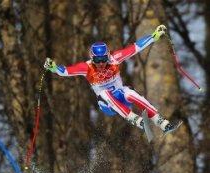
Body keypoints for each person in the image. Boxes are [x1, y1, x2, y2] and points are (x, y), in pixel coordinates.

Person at [44, 25, 180, 134]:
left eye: (104, 59)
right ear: (92, 58)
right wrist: (53, 67)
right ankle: (135, 120)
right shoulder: (87, 67)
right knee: (105, 94)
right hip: (107, 105)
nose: (101, 63)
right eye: (98, 60)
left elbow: (135, 48)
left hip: (122, 98)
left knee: (130, 92)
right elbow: (66, 71)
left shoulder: (114, 59)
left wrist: (154, 36)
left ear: (108, 56)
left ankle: (162, 122)